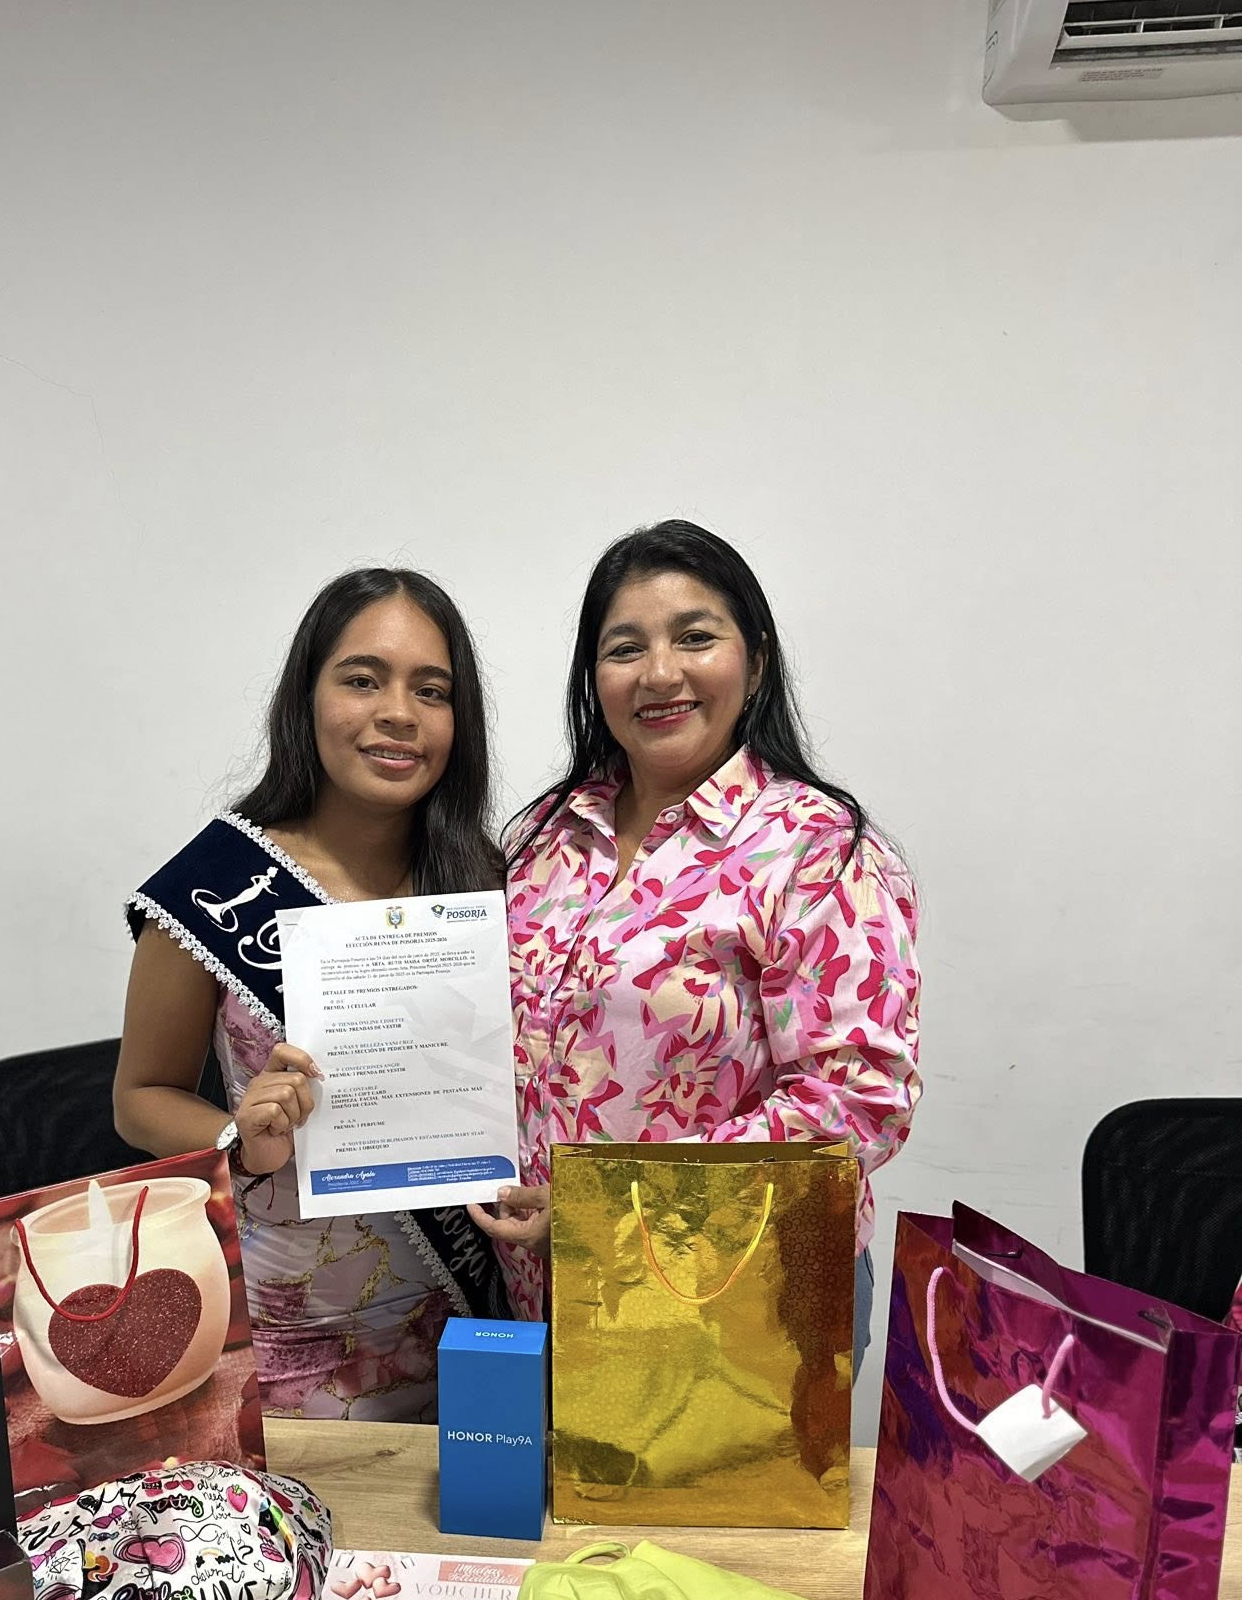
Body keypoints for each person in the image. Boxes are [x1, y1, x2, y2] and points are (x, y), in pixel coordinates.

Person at [469, 520, 921, 1364]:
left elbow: (856, 1104)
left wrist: (606, 1207)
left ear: (756, 661)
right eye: (625, 648)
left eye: (695, 638)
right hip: (538, 1291)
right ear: (594, 677)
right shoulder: (543, 838)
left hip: (730, 1305)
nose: (659, 673)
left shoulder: (818, 849)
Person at [116, 568, 506, 1419]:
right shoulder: (215, 886)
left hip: (482, 1330)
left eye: (431, 690)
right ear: (306, 697)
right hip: (299, 1334)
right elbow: (139, 1098)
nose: (398, 712)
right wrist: (239, 1135)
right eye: (362, 679)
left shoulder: (489, 882)